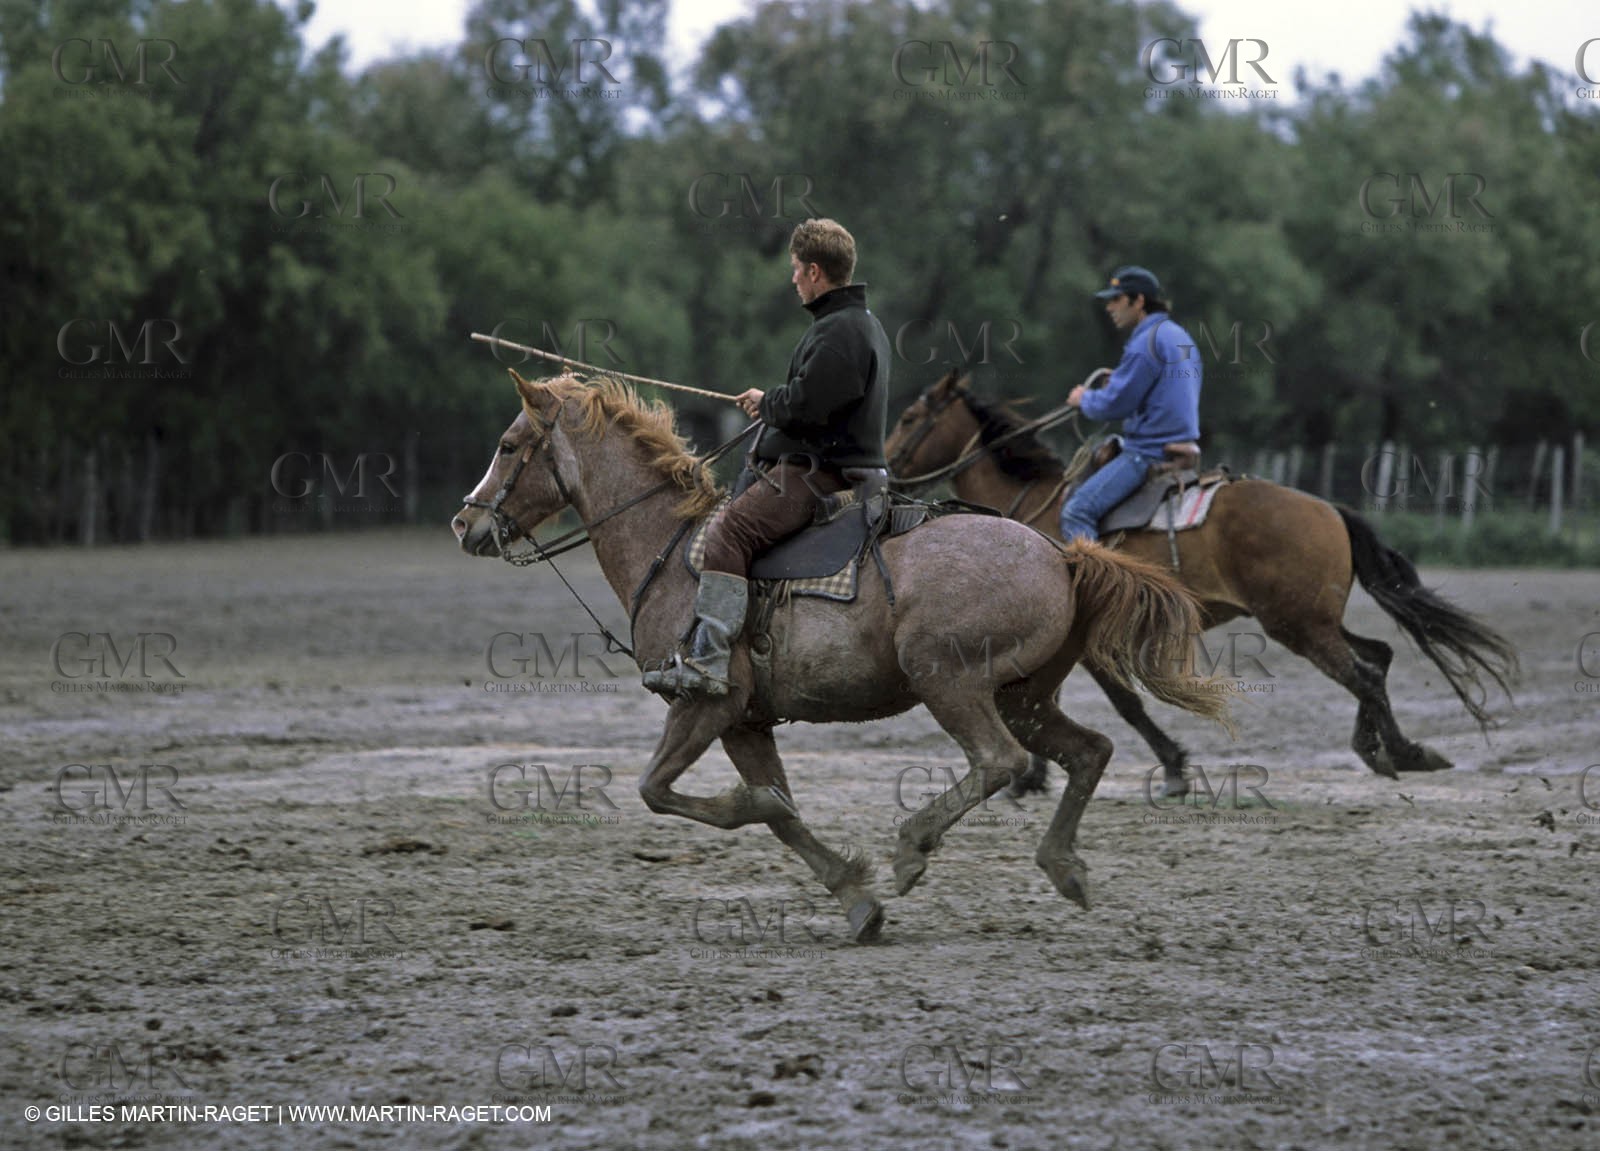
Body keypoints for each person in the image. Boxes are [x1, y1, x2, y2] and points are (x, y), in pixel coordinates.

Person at [643, 218, 890, 698]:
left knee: (727, 533)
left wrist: (771, 402)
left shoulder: (840, 330)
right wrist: (773, 401)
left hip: (817, 476)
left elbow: (812, 406)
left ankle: (710, 662)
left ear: (815, 272)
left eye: (797, 269)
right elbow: (815, 396)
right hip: (828, 469)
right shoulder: (856, 323)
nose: (792, 278)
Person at [1060, 265, 1202, 544]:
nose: (1110, 307)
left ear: (1138, 301)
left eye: (1117, 299)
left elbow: (1114, 405)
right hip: (1181, 445)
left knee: (1076, 512)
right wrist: (1124, 380)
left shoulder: (1143, 343)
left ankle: (1099, 587)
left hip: (1148, 451)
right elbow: (1167, 390)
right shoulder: (1178, 336)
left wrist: (1083, 399)